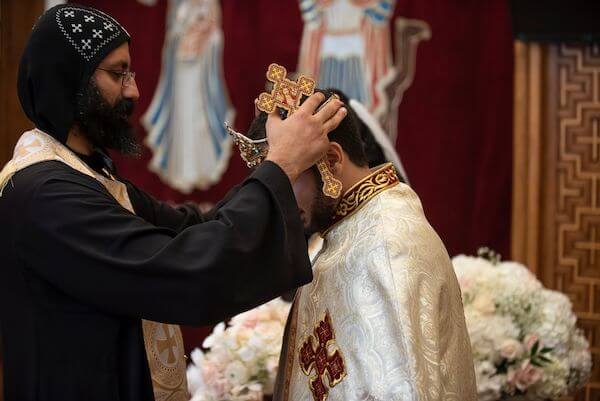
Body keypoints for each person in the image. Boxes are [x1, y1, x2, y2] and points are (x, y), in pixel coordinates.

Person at [0, 4, 346, 401]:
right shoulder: (45, 192)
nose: (134, 90)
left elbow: (193, 230)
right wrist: (280, 166)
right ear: (69, 79)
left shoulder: (90, 176)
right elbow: (181, 269)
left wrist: (274, 163)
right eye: (118, 73)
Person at [245, 89, 477, 401]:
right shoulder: (353, 230)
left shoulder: (387, 245)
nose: (277, 198)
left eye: (289, 178)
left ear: (332, 160)